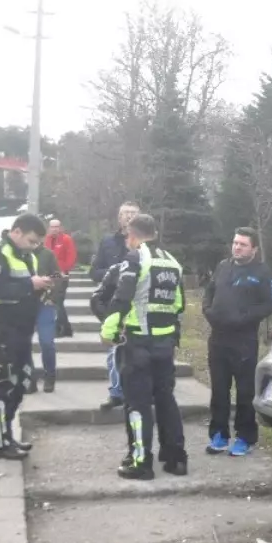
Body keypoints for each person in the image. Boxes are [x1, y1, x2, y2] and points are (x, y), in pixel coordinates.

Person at [100, 214, 188, 479]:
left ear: (133, 234)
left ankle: (140, 462)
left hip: (138, 341)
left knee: (136, 403)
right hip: (165, 343)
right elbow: (179, 304)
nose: (127, 240)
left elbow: (122, 298)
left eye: (128, 235)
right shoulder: (172, 262)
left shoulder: (136, 258)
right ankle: (176, 459)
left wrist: (109, 330)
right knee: (166, 400)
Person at [203, 227, 272, 457]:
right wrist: (207, 310)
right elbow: (209, 292)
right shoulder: (222, 266)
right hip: (218, 339)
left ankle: (245, 436)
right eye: (235, 243)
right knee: (219, 390)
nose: (237, 247)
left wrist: (246, 317)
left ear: (254, 249)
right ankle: (218, 434)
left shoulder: (262, 272)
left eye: (243, 244)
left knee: (245, 392)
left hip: (244, 341)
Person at [0, 213, 52, 460]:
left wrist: (42, 289)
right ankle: (0, 442)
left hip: (21, 332)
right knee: (3, 387)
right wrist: (30, 285)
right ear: (17, 231)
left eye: (37, 243)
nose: (34, 246)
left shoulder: (27, 256)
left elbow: (26, 292)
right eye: (31, 241)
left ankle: (7, 434)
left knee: (21, 385)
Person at [91, 201, 139, 411]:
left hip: (138, 305)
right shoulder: (107, 241)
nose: (128, 217)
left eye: (132, 214)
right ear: (119, 218)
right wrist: (113, 274)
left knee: (138, 354)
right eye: (125, 213)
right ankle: (116, 393)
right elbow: (93, 271)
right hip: (113, 305)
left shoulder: (145, 244)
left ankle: (140, 392)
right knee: (113, 353)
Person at [27, 241, 62, 394]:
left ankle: (50, 376)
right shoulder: (20, 254)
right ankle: (29, 379)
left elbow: (57, 275)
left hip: (45, 304)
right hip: (24, 305)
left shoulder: (48, 254)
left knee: (47, 342)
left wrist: (52, 296)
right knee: (23, 344)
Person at [44, 218, 76, 338]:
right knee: (57, 302)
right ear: (49, 228)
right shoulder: (46, 240)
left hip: (62, 275)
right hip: (50, 275)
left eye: (57, 227)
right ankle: (66, 328)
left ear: (61, 227)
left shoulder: (66, 239)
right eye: (52, 227)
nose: (54, 229)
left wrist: (65, 270)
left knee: (57, 301)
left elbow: (71, 256)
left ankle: (61, 328)